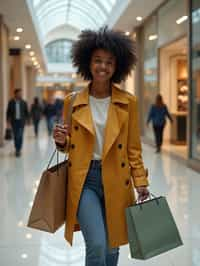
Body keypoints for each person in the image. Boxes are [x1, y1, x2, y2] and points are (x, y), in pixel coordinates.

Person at [53, 27, 150, 266]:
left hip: (117, 178)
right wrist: (61, 141)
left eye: (109, 62)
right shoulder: (72, 101)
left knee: (111, 248)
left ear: (118, 66)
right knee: (96, 244)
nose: (103, 67)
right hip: (85, 179)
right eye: (98, 60)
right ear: (88, 62)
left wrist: (141, 182)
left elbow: (133, 148)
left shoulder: (128, 102)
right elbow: (67, 147)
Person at [6, 88, 29, 157]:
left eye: (21, 93)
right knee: (16, 136)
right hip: (14, 122)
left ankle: (19, 149)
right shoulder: (11, 102)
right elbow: (8, 112)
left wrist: (28, 120)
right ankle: (17, 149)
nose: (20, 94)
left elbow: (26, 111)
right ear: (15, 94)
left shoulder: (23, 102)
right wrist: (7, 120)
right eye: (19, 93)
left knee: (20, 135)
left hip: (21, 122)